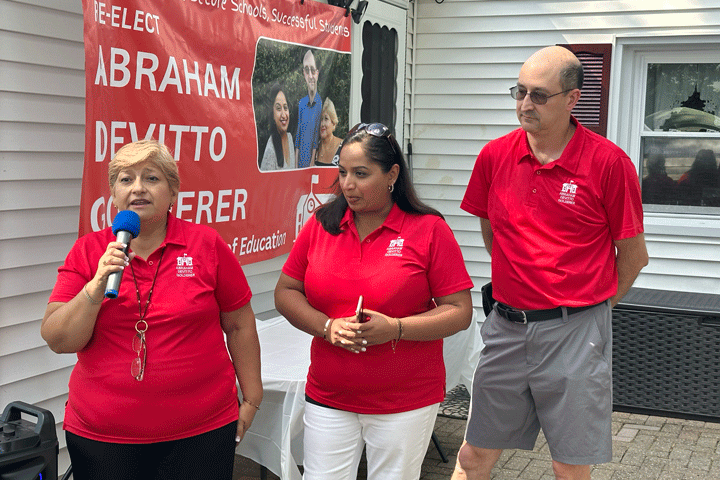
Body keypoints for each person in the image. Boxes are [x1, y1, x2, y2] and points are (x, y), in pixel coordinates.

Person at [453, 46, 648, 480]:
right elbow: (493, 232)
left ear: (572, 98)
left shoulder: (609, 164)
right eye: (519, 92)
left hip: (574, 331)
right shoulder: (494, 156)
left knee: (568, 464)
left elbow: (634, 257)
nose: (525, 104)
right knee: (472, 456)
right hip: (506, 327)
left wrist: (591, 311)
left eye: (539, 95)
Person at [41, 140, 263, 480]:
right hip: (104, 440)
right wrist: (95, 287)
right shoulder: (89, 251)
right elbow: (59, 340)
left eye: (151, 178)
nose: (138, 188)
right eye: (126, 179)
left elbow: (239, 324)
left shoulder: (206, 244)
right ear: (114, 193)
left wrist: (252, 398)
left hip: (201, 434)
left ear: (173, 191)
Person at [274, 122, 474, 480]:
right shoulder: (322, 224)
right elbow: (286, 291)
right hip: (329, 395)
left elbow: (459, 312)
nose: (347, 184)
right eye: (342, 172)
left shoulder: (428, 229)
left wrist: (395, 328)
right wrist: (327, 327)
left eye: (361, 174)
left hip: (404, 401)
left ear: (392, 175)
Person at [295, 49, 322, 168]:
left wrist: (311, 163)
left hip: (311, 164)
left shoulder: (320, 104)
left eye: (312, 70)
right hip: (300, 162)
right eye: (307, 70)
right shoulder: (301, 103)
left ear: (317, 73)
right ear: (303, 73)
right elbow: (298, 135)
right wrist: (295, 165)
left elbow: (316, 138)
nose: (310, 75)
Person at [260, 83, 295, 170]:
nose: (284, 115)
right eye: (278, 108)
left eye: (285, 108)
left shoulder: (290, 138)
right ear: (272, 114)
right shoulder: (271, 150)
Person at [313, 97, 343, 166]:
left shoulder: (343, 147)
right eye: (320, 119)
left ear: (333, 123)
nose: (322, 124)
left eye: (326, 119)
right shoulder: (315, 148)